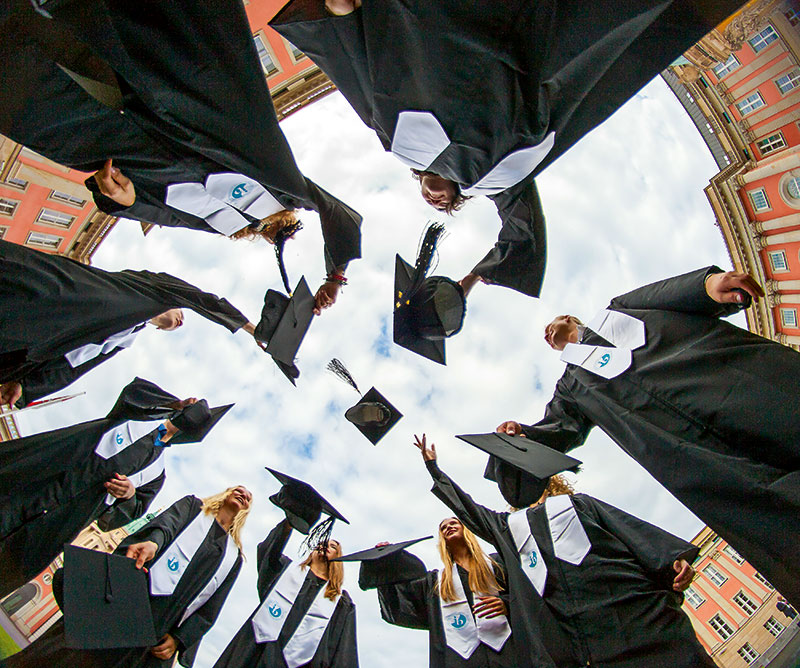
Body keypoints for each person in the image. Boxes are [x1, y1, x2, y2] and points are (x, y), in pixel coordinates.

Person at [270, 0, 744, 301]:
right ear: (460, 197)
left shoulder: (398, 140)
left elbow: (362, 77)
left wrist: (343, 19)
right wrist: (469, 283)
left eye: (430, 199)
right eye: (445, 203)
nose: (435, 199)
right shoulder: (498, 179)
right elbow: (521, 233)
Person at [0, 0, 361, 312]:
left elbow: (165, 214)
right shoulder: (283, 187)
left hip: (120, 141)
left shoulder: (226, 225)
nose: (272, 233)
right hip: (172, 89)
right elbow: (338, 211)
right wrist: (336, 276)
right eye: (282, 229)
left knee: (29, 75)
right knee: (102, 25)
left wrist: (126, 203)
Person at [493, 266, 800, 608]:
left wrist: (709, 286)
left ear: (569, 318)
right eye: (545, 336)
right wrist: (517, 438)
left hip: (734, 386)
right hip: (693, 451)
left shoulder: (619, 312)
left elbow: (671, 294)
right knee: (776, 510)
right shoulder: (571, 388)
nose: (547, 333)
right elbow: (556, 431)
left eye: (551, 325)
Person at [414, 434, 715, 667]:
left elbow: (635, 536)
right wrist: (434, 470)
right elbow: (469, 509)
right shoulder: (507, 529)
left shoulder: (581, 504)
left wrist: (671, 565)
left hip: (638, 620)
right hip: (580, 645)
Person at [0, 377, 232, 598]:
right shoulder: (139, 417)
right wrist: (173, 404)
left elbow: (131, 511)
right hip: (43, 477)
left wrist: (129, 494)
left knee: (13, 557)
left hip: (62, 517)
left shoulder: (155, 475)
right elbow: (134, 392)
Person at [4, 486, 252, 668]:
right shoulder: (192, 508)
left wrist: (179, 640)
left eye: (248, 497)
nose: (244, 494)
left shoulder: (234, 558)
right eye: (239, 489)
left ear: (246, 510)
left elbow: (210, 609)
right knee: (55, 656)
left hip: (153, 631)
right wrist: (153, 543)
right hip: (125, 599)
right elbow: (166, 526)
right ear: (226, 492)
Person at [0, 238, 260, 407]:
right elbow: (202, 299)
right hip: (40, 295)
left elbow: (71, 367)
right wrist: (250, 328)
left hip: (23, 345)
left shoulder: (125, 339)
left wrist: (25, 386)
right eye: (182, 311)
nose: (182, 320)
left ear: (158, 330)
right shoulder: (146, 287)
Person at [361, 518, 527, 667]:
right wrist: (385, 563)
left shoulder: (497, 564)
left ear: (466, 529)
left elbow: (529, 592)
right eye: (443, 527)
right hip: (459, 658)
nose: (448, 527)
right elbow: (402, 608)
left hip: (508, 650)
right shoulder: (435, 582)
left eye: (454, 523)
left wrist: (507, 604)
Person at [213, 517, 358, 667]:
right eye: (321, 542)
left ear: (338, 558)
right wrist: (290, 522)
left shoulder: (340, 604)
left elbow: (343, 655)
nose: (325, 545)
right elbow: (268, 553)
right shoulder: (285, 570)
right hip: (254, 652)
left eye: (333, 546)